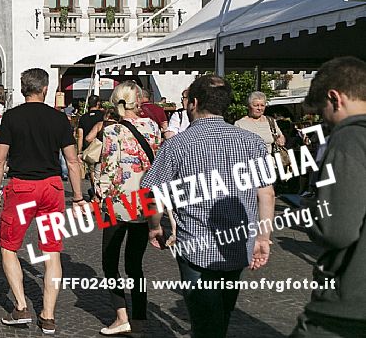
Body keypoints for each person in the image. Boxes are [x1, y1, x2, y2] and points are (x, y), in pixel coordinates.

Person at [142, 75, 275, 338]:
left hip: (196, 245)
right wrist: (264, 236)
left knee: (205, 321)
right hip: (238, 242)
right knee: (222, 314)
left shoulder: (178, 145)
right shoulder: (253, 143)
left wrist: (154, 227)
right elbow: (267, 193)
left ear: (193, 103)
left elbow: (150, 193)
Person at [0, 68, 86, 336]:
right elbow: (72, 161)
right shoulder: (59, 119)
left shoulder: (11, 117)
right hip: (52, 188)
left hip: (21, 189)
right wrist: (77, 197)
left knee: (9, 247)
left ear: (23, 88)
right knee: (52, 251)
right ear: (45, 89)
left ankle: (20, 307)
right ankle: (48, 315)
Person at [290, 56, 366, 336]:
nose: (324, 120)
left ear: (335, 98)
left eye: (323, 111)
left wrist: (307, 206)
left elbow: (338, 230)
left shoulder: (349, 138)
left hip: (347, 302)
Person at [93, 82, 162, 336]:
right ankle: (140, 319)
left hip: (118, 201)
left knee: (109, 261)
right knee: (135, 263)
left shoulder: (113, 131)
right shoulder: (152, 127)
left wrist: (98, 195)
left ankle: (121, 316)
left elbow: (109, 169)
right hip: (145, 200)